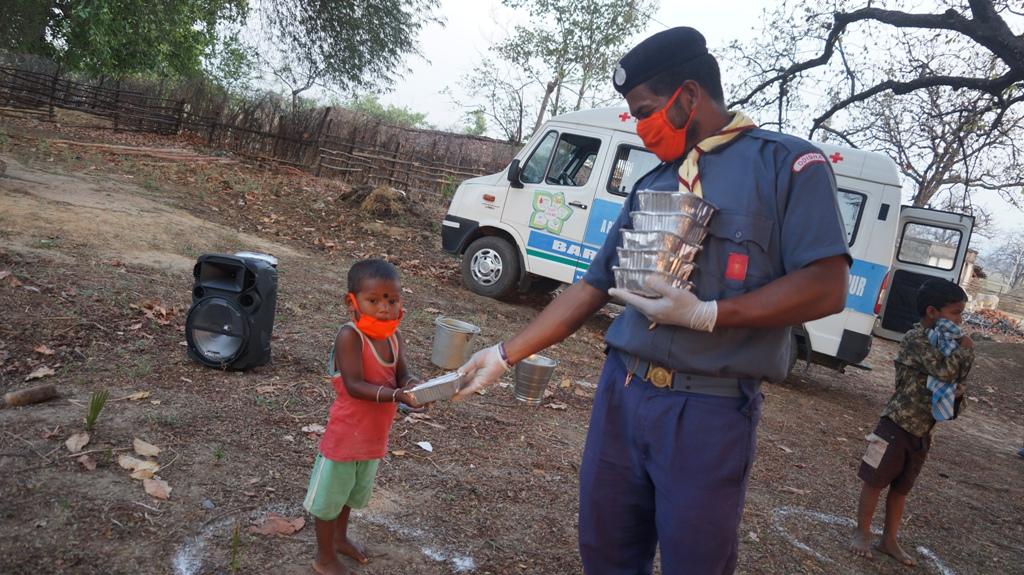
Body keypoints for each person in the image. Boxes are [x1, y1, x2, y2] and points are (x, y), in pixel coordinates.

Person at [454, 26, 851, 575]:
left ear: (688, 96)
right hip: (622, 394)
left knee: (694, 561)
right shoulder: (656, 183)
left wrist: (710, 314)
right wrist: (504, 354)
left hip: (707, 410)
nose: (641, 130)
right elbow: (595, 285)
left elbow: (827, 285)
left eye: (645, 112)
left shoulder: (786, 167)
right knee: (606, 551)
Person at [303, 259, 424, 575]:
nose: (385, 308)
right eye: (374, 300)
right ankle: (324, 556)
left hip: (373, 438)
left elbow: (403, 375)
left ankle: (340, 540)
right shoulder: (350, 337)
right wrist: (398, 396)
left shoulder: (395, 337)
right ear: (351, 302)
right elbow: (355, 385)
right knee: (329, 499)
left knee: (349, 495)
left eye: (392, 300)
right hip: (345, 436)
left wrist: (417, 390)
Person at [851, 279, 974, 566]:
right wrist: (965, 348)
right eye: (955, 313)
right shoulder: (916, 339)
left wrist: (959, 390)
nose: (959, 320)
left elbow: (959, 380)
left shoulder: (946, 344)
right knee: (874, 481)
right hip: (895, 424)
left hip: (923, 430)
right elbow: (945, 372)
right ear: (932, 311)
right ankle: (862, 532)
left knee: (901, 488)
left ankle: (889, 539)